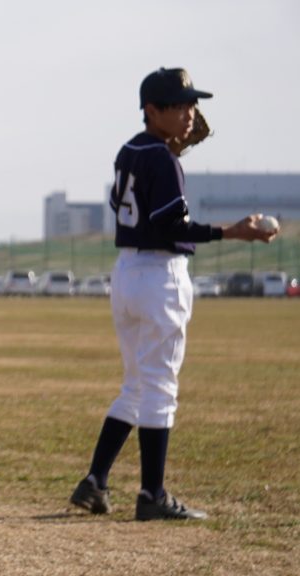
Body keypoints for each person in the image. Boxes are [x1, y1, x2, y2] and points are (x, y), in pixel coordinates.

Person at [69, 68, 277, 521]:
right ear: (152, 111)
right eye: (179, 105)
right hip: (159, 275)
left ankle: (95, 480)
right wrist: (233, 232)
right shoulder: (162, 159)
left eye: (192, 104)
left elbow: (128, 210)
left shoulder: (130, 151)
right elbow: (170, 225)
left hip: (127, 274)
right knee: (159, 386)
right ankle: (152, 495)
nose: (190, 114)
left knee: (137, 383)